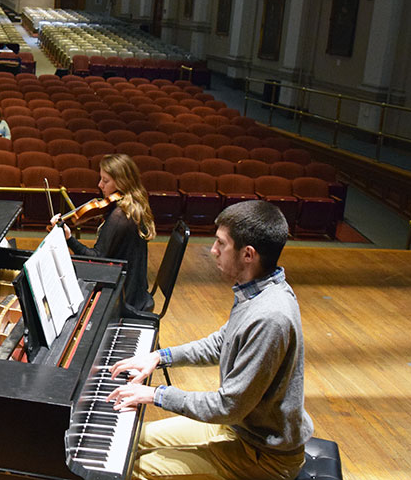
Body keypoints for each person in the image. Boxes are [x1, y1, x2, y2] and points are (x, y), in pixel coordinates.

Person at [105, 200, 313, 480]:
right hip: (238, 429)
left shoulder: (270, 316)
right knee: (130, 442)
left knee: (133, 470)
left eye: (221, 244)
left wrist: (156, 395)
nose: (213, 250)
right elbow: (220, 343)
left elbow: (228, 406)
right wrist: (158, 357)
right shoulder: (258, 292)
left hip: (263, 455)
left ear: (248, 254)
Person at [51, 153, 156, 312]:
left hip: (123, 297)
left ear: (122, 182)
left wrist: (69, 238)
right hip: (135, 288)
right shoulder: (134, 206)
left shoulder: (120, 216)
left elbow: (96, 258)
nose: (100, 185)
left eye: (106, 181)